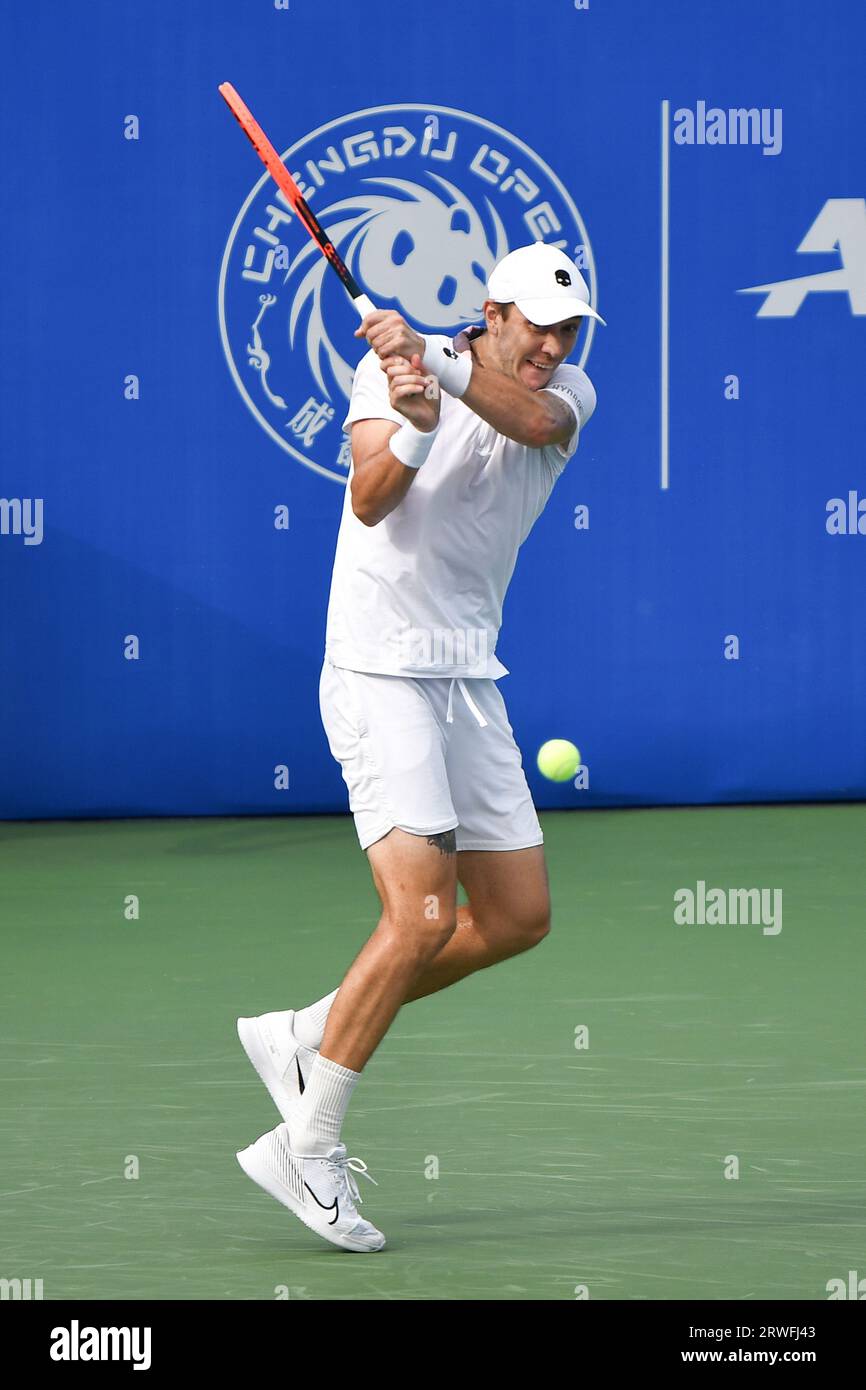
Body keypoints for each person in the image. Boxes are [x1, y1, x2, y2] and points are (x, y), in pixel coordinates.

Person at [236, 242, 603, 1252]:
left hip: (468, 678)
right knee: (423, 913)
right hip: (376, 666)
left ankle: (306, 1032)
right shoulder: (389, 370)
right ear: (492, 311)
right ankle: (306, 1145)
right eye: (536, 325)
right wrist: (411, 423)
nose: (552, 346)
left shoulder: (564, 396)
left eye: (566, 330)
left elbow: (527, 417)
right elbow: (367, 500)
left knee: (517, 914)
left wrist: (437, 371)